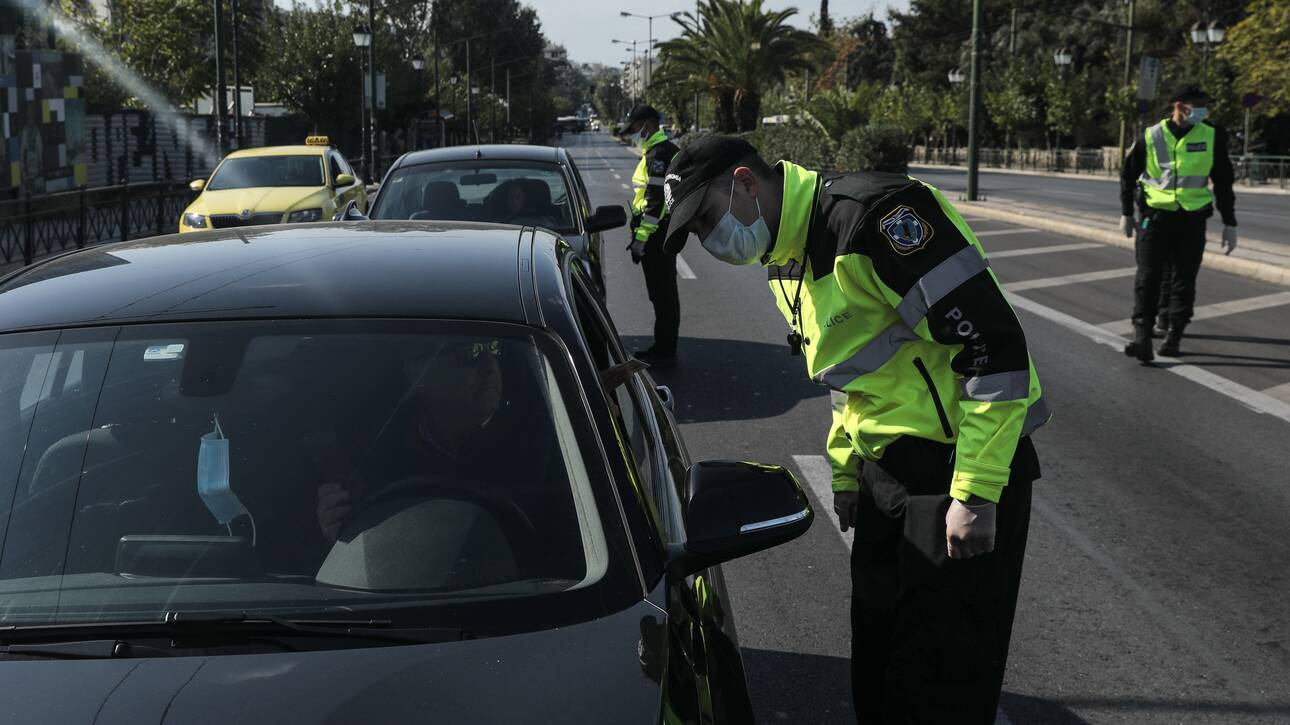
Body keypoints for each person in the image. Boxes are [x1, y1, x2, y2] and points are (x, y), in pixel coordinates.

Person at [660, 136, 1049, 724]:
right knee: (876, 663)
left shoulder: (878, 219)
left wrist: (976, 491)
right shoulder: (786, 255)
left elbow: (992, 347)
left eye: (708, 218)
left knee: (940, 684)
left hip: (954, 469)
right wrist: (846, 471)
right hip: (884, 475)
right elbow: (852, 376)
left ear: (744, 182)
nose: (709, 239)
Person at [1119, 84, 1238, 361]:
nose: (1202, 110)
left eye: (1204, 104)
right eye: (1197, 104)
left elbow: (1223, 181)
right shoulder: (1151, 135)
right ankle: (1143, 337)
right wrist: (1127, 213)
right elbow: (1128, 175)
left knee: (1184, 278)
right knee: (1148, 277)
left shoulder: (1212, 135)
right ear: (1178, 105)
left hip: (1192, 220)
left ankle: (1174, 335)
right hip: (1155, 218)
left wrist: (1230, 222)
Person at [622, 104, 681, 368]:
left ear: (646, 125)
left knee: (663, 293)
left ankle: (665, 348)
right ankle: (664, 345)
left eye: (635, 128)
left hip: (656, 235)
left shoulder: (659, 154)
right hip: (660, 232)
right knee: (662, 293)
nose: (633, 133)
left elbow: (655, 202)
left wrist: (641, 239)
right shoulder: (659, 151)